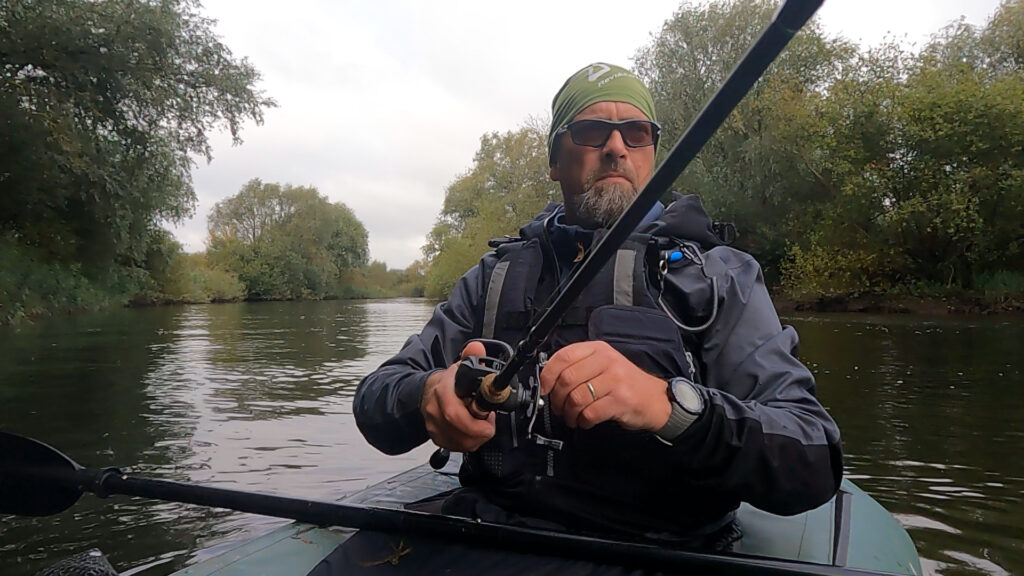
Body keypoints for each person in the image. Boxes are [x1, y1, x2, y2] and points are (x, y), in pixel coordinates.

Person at [354, 63, 842, 547]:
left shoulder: (719, 277)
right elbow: (376, 398)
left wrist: (667, 406)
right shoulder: (492, 276)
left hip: (667, 554)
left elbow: (814, 457)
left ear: (652, 156)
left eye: (636, 133)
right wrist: (427, 393)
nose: (615, 147)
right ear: (554, 162)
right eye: (591, 131)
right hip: (492, 537)